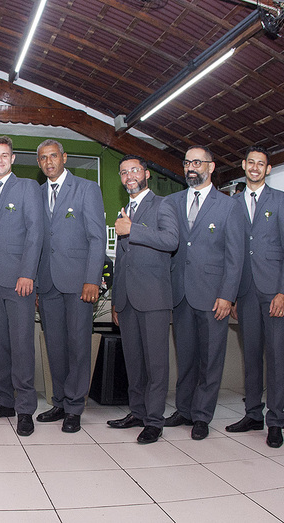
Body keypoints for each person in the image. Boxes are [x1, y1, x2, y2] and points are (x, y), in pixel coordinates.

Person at [162, 145, 245, 441]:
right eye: (187, 163)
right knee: (185, 357)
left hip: (213, 296)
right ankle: (184, 409)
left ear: (211, 167)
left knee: (210, 359)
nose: (191, 167)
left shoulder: (229, 206)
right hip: (180, 293)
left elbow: (235, 256)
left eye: (197, 162)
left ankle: (201, 415)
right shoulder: (172, 202)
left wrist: (227, 295)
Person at [0, 135, 45, 437]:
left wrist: (28, 273)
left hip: (19, 281)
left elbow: (36, 232)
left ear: (12, 159)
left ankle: (25, 408)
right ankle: (4, 400)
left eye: (4, 155)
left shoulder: (27, 187)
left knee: (22, 344)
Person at [106, 155, 179, 444]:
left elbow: (171, 240)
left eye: (134, 170)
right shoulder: (124, 210)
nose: (129, 176)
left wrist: (132, 229)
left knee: (156, 365)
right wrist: (116, 299)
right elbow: (121, 259)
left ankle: (154, 421)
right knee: (133, 362)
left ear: (146, 174)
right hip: (126, 300)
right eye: (124, 172)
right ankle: (137, 412)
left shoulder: (163, 205)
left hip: (153, 298)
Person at [34, 139, 104, 433]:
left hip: (78, 283)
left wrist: (92, 279)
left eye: (53, 156)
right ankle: (60, 402)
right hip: (47, 282)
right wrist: (35, 283)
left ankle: (75, 407)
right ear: (39, 163)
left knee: (78, 345)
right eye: (43, 158)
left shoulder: (87, 189)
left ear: (64, 158)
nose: (48, 162)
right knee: (55, 346)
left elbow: (97, 238)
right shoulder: (36, 193)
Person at [229, 146, 284, 448]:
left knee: (277, 356)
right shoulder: (233, 203)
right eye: (251, 162)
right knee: (252, 355)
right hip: (245, 292)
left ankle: (276, 420)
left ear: (268, 169)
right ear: (243, 165)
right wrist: (231, 295)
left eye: (261, 164)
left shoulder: (280, 200)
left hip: (273, 292)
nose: (255, 167)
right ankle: (253, 414)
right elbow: (230, 251)